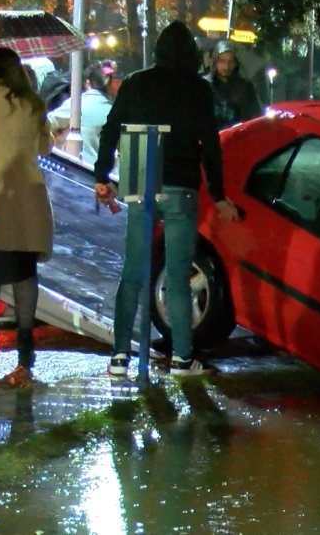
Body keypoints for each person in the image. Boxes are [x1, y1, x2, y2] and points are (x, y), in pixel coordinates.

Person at [95, 20, 240, 377]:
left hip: (139, 180)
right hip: (181, 185)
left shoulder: (135, 83)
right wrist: (219, 195)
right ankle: (181, 357)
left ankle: (119, 356)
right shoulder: (199, 90)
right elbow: (211, 146)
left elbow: (111, 129)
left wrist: (102, 176)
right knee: (177, 275)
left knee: (132, 273)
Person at [0, 47, 55, 388]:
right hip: (28, 201)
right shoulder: (34, 105)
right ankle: (25, 358)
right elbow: (44, 148)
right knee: (24, 275)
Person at [47, 61, 115, 163]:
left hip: (79, 167)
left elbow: (47, 123)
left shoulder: (76, 104)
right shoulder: (113, 109)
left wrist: (60, 134)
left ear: (87, 83)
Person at [204, 40, 262, 130]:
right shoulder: (204, 85)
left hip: (238, 137)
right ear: (215, 62)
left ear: (236, 63)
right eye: (222, 61)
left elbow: (256, 115)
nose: (227, 67)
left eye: (231, 62)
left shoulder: (245, 87)